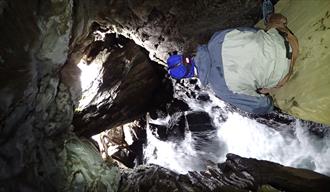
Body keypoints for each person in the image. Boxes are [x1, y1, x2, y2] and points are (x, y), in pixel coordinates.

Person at [166, 0, 299, 114]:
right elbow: (252, 32)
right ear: (185, 55)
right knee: (267, 27)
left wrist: (266, 100)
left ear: (189, 76)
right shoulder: (217, 38)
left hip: (284, 72)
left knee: (256, 89)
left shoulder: (220, 89)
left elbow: (261, 105)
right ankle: (269, 16)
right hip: (283, 39)